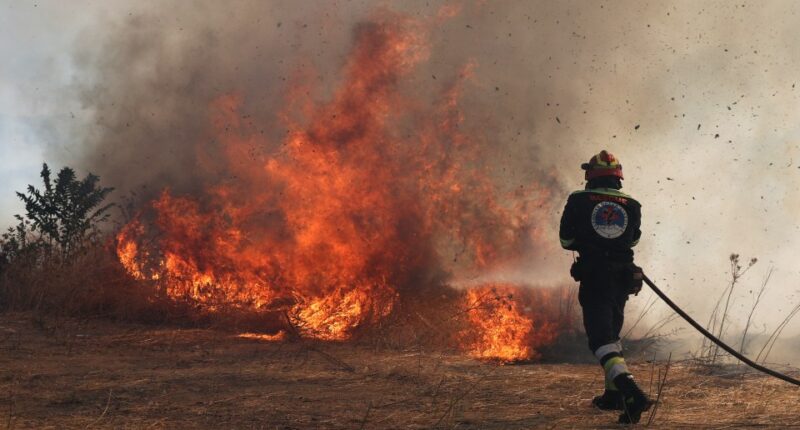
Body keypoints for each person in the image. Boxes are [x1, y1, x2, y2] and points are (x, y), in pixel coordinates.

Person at [559, 150, 652, 424]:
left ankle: (631, 392)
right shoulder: (633, 204)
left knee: (600, 340)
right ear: (618, 177)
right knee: (611, 334)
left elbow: (566, 240)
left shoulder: (579, 199)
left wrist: (590, 242)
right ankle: (613, 396)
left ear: (590, 175)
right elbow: (632, 240)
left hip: (596, 277)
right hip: (623, 278)